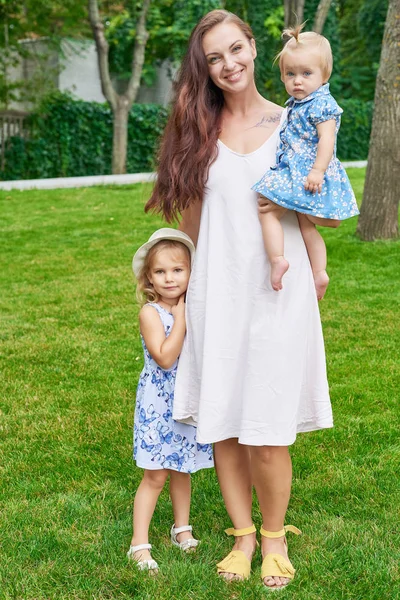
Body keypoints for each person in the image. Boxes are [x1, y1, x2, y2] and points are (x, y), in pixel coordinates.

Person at [145, 10, 334, 590]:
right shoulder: (199, 131)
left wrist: (316, 265)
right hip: (216, 293)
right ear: (204, 69)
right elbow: (196, 225)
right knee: (225, 422)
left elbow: (313, 207)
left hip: (279, 289)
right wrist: (181, 301)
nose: (228, 65)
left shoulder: (296, 120)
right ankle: (242, 535)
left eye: (236, 50)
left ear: (254, 47)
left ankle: (274, 537)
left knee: (268, 427)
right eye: (214, 58)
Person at [127, 228, 213, 573]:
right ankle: (139, 544)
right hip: (158, 406)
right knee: (156, 475)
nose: (169, 278)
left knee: (183, 467)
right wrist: (180, 320)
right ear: (149, 278)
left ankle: (182, 529)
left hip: (188, 401)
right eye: (160, 272)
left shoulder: (195, 308)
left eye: (178, 270)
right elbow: (164, 356)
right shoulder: (152, 314)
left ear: (191, 272)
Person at [252, 24, 359, 299]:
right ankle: (320, 272)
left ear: (324, 76)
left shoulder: (322, 104)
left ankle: (278, 259)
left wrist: (317, 171)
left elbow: (327, 140)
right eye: (291, 74)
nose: (297, 81)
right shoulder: (297, 104)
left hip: (308, 173)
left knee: (266, 208)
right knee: (304, 224)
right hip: (300, 170)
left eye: (306, 73)